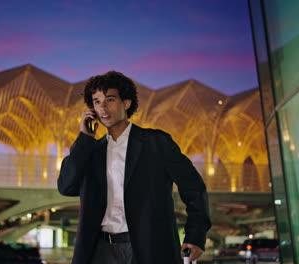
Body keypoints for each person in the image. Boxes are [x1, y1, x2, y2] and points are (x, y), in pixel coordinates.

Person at [58, 71, 211, 264]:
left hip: (148, 248)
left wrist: (195, 236)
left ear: (127, 103)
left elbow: (194, 188)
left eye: (110, 99)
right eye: (96, 102)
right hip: (100, 250)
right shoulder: (91, 152)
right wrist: (84, 139)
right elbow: (66, 187)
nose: (102, 107)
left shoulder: (156, 143)